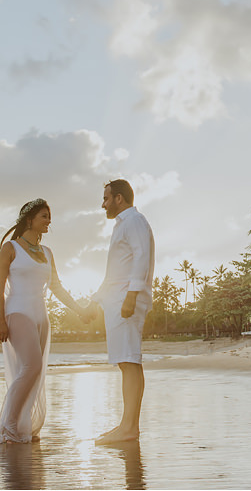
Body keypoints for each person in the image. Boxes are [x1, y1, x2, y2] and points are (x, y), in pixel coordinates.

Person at [0, 198, 91, 444]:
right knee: (31, 367)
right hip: (17, 311)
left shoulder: (47, 253)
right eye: (44, 216)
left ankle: (27, 424)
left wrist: (80, 309)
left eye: (49, 217)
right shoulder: (10, 248)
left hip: (41, 314)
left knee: (36, 372)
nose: (49, 221)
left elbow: (57, 287)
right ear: (30, 219)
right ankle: (9, 427)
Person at [92, 179, 155, 445]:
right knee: (126, 362)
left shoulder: (134, 221)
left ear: (119, 198)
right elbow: (115, 272)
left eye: (106, 198)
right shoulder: (123, 225)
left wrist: (131, 296)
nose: (103, 203)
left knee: (129, 361)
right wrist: (95, 301)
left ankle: (129, 428)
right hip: (117, 299)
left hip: (125, 300)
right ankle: (127, 425)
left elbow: (142, 255)